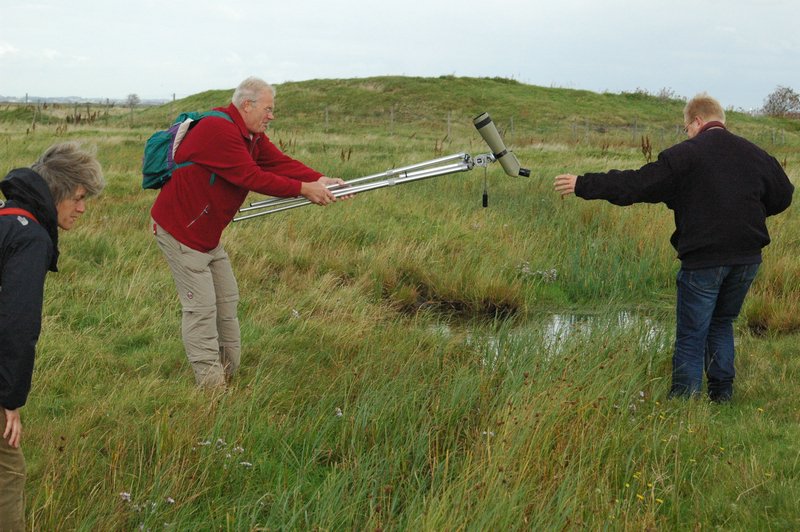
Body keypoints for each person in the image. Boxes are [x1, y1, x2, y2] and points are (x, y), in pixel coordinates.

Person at [554, 93, 794, 402]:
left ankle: (684, 402)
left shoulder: (685, 155)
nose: (688, 134)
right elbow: (784, 194)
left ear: (696, 121)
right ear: (720, 120)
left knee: (692, 335)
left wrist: (582, 184)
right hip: (747, 258)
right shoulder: (755, 154)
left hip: (704, 259)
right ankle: (722, 395)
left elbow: (636, 185)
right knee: (721, 323)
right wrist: (749, 214)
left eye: (687, 128)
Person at [151, 76, 346, 388]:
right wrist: (303, 189)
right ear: (247, 105)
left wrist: (320, 179)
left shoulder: (251, 135)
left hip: (207, 235)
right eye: (268, 109)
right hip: (181, 233)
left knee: (226, 301)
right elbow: (251, 177)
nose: (272, 115)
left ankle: (229, 375)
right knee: (201, 311)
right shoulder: (220, 130)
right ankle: (213, 391)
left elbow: (278, 163)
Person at [1, 142, 105, 530]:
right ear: (57, 192)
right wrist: (10, 400)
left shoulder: (7, 218)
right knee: (8, 472)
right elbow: (17, 323)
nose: (82, 208)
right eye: (78, 198)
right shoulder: (29, 237)